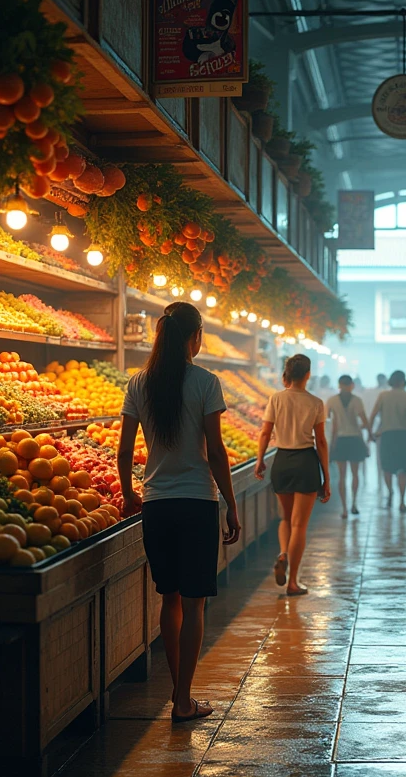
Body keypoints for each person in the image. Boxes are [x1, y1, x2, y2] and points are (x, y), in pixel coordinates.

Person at [117, 302, 241, 724]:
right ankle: (183, 699)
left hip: (156, 504)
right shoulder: (206, 382)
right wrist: (231, 503)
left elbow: (124, 448)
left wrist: (129, 493)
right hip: (197, 503)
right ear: (195, 337)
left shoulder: (139, 382)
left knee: (168, 598)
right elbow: (217, 451)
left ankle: (178, 693)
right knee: (194, 605)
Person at [256, 354, 330, 596]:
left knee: (286, 519)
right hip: (305, 461)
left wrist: (259, 460)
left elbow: (265, 433)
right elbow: (320, 441)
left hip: (282, 461)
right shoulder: (316, 403)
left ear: (287, 374)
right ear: (308, 375)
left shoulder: (276, 399)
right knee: (300, 524)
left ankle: (283, 554)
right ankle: (293, 582)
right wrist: (326, 477)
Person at [369, 369, 406, 513]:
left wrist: (371, 433)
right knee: (402, 469)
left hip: (387, 435)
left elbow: (373, 415)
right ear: (404, 381)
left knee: (387, 468)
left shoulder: (383, 396)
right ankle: (402, 501)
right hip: (402, 435)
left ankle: (390, 492)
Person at [328, 374, 370, 518]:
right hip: (354, 439)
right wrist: (367, 433)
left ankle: (344, 508)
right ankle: (354, 504)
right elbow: (365, 420)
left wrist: (331, 444)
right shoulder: (357, 401)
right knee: (355, 474)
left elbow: (330, 424)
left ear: (339, 385)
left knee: (342, 476)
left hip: (340, 440)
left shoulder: (332, 401)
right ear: (351, 385)